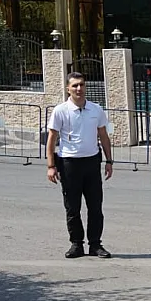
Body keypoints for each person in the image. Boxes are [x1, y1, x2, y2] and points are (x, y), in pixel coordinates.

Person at [46, 72, 114, 259]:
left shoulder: (96, 110)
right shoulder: (61, 111)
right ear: (68, 89)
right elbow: (52, 139)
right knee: (72, 207)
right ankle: (76, 244)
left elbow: (103, 136)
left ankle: (95, 244)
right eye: (75, 85)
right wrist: (51, 165)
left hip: (92, 162)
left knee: (95, 206)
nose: (79, 88)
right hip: (69, 163)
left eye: (82, 85)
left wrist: (109, 161)